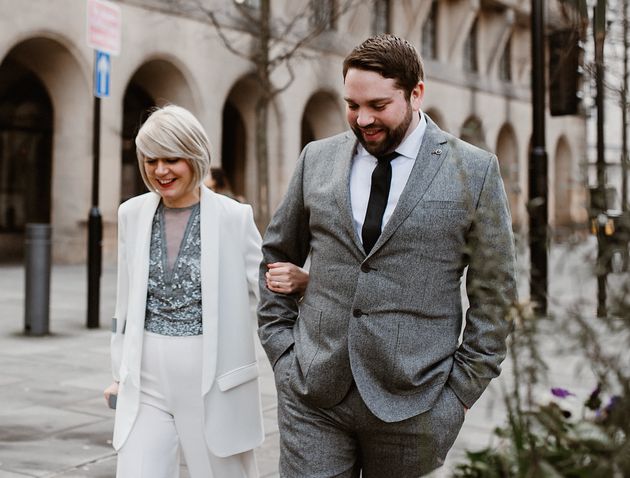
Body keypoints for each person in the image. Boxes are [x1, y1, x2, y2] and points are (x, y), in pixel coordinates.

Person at [258, 34, 517, 477]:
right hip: (314, 392)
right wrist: (284, 355)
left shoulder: (474, 170)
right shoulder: (316, 159)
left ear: (417, 93)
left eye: (378, 105)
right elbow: (276, 255)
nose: (362, 119)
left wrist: (457, 396)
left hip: (415, 404)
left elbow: (495, 295)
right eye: (352, 105)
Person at [103, 105, 264, 478]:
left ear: (195, 157)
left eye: (172, 159)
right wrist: (119, 372)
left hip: (212, 384)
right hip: (145, 382)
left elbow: (266, 292)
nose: (160, 171)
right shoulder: (132, 213)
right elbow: (125, 302)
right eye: (151, 160)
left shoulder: (233, 217)